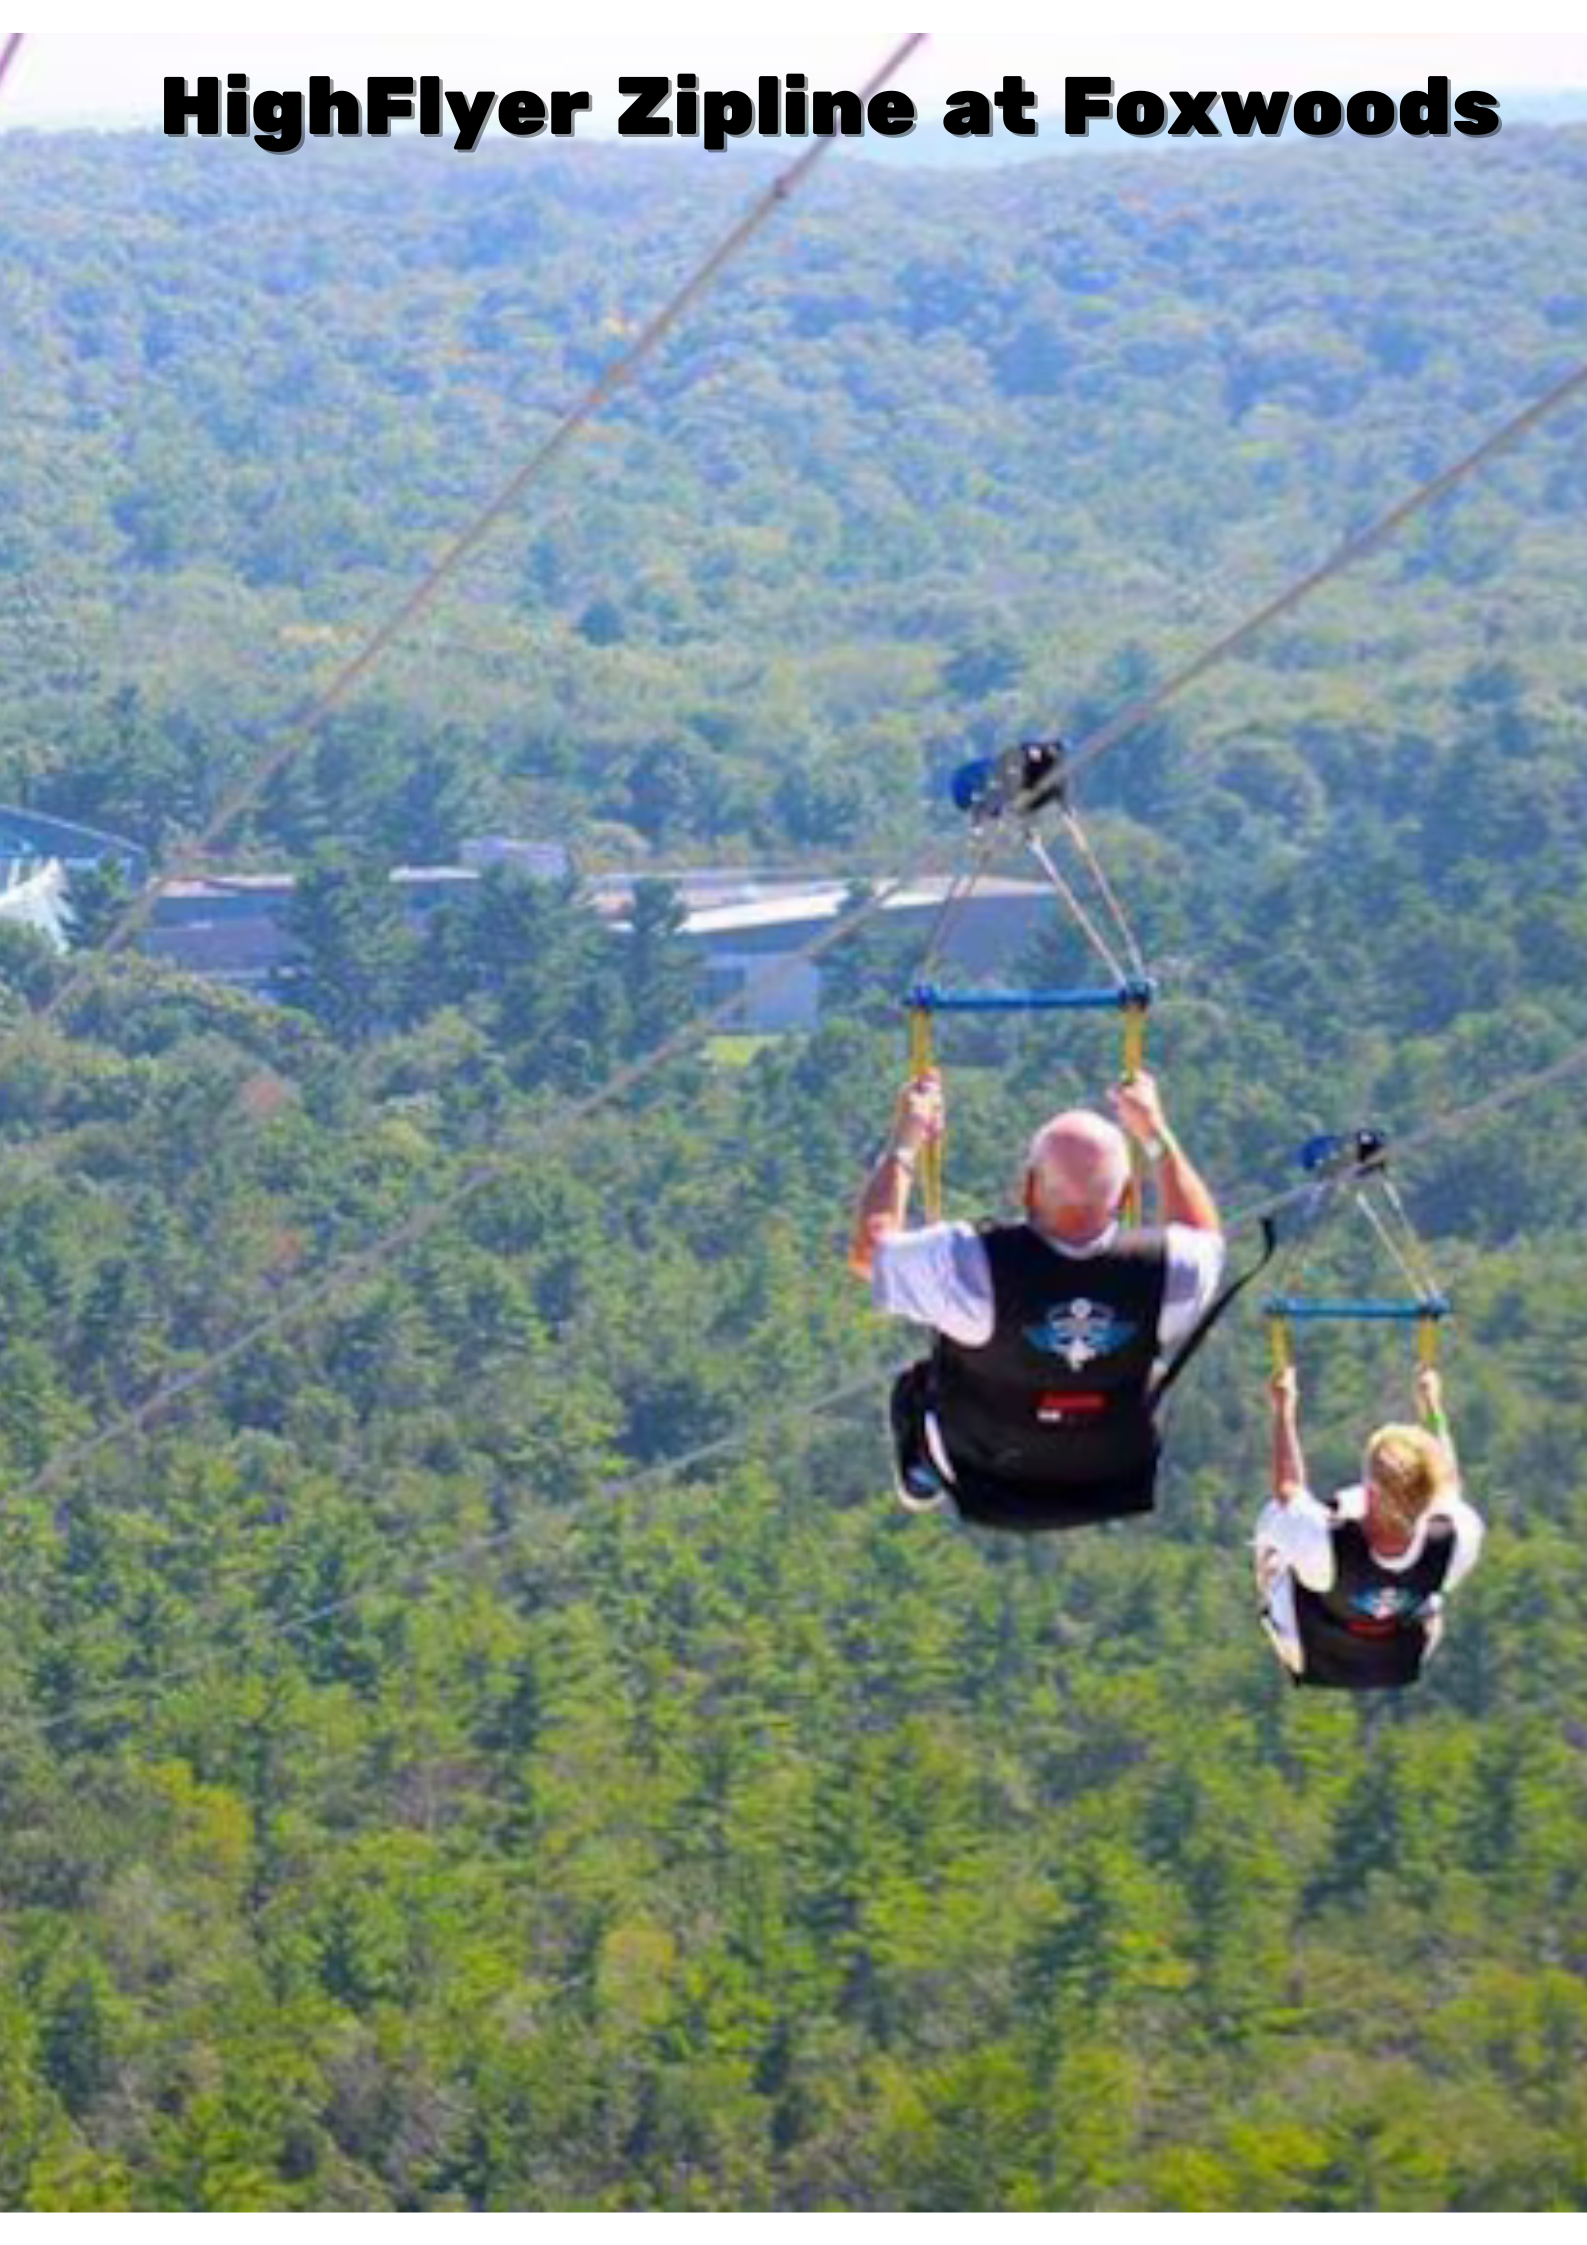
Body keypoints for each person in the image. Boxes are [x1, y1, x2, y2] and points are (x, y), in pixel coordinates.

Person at [849, 1065, 1225, 1531]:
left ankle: (923, 1472)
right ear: (1126, 1194)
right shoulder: (1172, 1272)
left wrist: (906, 1140)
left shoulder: (971, 1267)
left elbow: (870, 1252)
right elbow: (1206, 1237)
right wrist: (1154, 1132)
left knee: (915, 1385)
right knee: (1148, 1367)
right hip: (1107, 1470)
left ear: (1026, 1188)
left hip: (985, 1467)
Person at [1254, 1363, 1483, 1689]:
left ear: (1372, 1489)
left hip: (1312, 1650)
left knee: (1275, 1519)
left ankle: (1275, 1580)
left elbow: (1288, 1489)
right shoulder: (1457, 1541)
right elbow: (1449, 1487)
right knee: (1435, 1572)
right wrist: (1433, 1409)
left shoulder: (1325, 1546)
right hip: (1398, 1655)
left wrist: (1283, 1410)